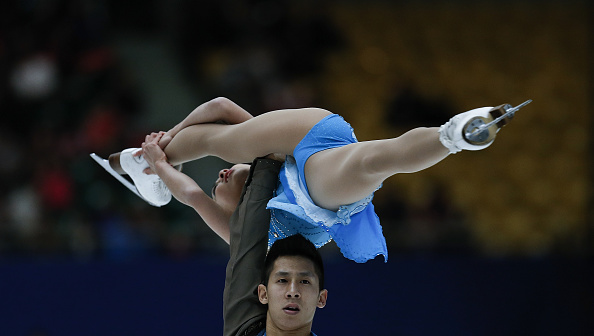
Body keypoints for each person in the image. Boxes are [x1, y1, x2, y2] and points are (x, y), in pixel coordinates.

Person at [109, 97, 516, 262]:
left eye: (218, 182)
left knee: (221, 142)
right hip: (323, 191)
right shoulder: (258, 230)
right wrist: (161, 159)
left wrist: (161, 152)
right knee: (377, 160)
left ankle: (451, 135)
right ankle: (453, 136)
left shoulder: (241, 229)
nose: (220, 177)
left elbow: (197, 196)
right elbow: (197, 194)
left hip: (309, 145)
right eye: (222, 184)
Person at [210, 156, 374, 336]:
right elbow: (248, 244)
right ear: (263, 293)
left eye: (305, 281)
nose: (293, 291)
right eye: (282, 280)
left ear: (322, 298)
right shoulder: (241, 335)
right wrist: (268, 163)